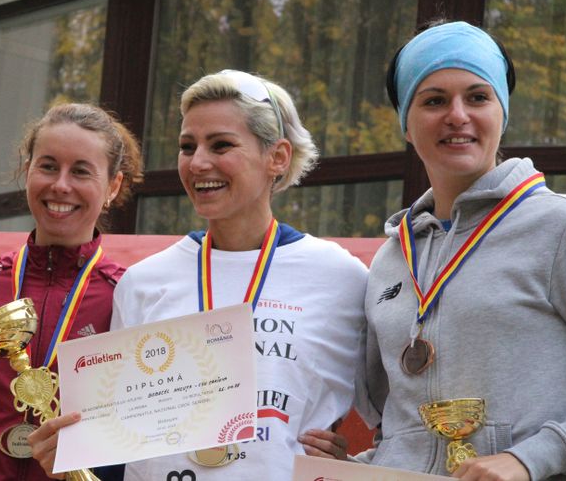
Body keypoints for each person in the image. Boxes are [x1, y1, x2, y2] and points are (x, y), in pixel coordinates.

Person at [29, 70, 368, 481]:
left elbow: (402, 419)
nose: (198, 162)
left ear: (277, 157)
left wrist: (351, 468)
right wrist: (73, 461)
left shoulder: (341, 277)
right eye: (187, 147)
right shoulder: (143, 282)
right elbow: (119, 448)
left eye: (221, 144)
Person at [302, 21, 566, 480]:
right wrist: (350, 469)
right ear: (407, 126)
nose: (457, 115)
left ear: (502, 113)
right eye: (434, 101)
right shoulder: (392, 259)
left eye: (477, 97)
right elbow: (404, 433)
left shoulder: (561, 226)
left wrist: (530, 458)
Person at [0, 103, 143, 480]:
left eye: (81, 171)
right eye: (48, 166)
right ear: (27, 170)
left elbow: (143, 440)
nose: (61, 185)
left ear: (113, 186)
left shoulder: (127, 298)